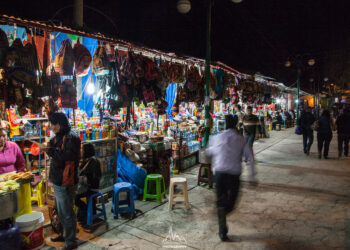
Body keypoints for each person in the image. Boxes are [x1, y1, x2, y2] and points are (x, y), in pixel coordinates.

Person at [206, 115, 255, 241]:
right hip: (233, 175)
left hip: (219, 174)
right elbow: (250, 157)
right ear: (236, 125)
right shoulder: (241, 139)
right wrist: (252, 175)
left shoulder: (216, 138)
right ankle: (223, 211)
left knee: (221, 201)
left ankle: (222, 230)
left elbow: (208, 152)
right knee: (231, 203)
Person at [45, 112, 81, 250]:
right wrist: (49, 147)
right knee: (61, 211)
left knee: (66, 212)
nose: (51, 127)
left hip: (66, 180)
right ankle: (64, 234)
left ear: (60, 124)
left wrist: (51, 151)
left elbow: (68, 157)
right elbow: (54, 148)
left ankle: (71, 241)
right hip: (59, 179)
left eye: (53, 124)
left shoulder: (72, 137)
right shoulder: (60, 136)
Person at [75, 143, 101, 223]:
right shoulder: (86, 160)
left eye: (82, 149)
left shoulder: (94, 162)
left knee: (74, 197)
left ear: (87, 151)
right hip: (85, 186)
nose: (80, 151)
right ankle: (85, 211)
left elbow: (95, 179)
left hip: (92, 188)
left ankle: (86, 210)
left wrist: (85, 180)